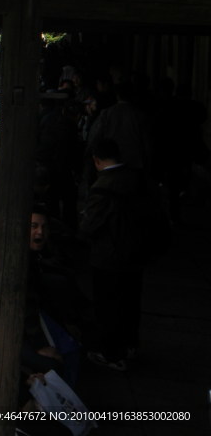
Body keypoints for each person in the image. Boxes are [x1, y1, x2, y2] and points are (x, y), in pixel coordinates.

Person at [79, 136, 144, 371]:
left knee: (108, 305)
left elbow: (90, 226)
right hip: (135, 252)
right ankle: (130, 345)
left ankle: (112, 354)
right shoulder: (137, 178)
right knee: (130, 301)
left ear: (96, 160)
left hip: (108, 256)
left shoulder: (103, 187)